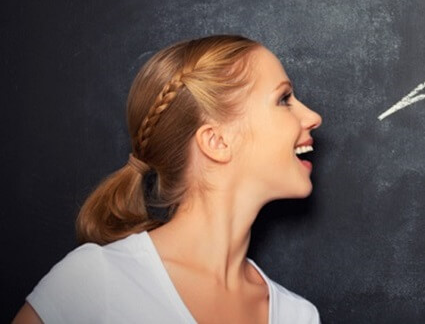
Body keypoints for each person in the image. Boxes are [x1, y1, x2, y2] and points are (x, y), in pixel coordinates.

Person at [12, 35, 323, 323]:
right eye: (284, 99)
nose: (313, 117)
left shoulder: (297, 316)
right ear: (217, 141)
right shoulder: (97, 281)